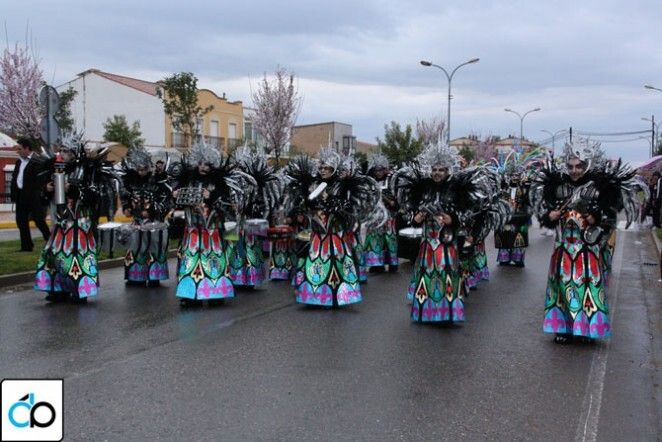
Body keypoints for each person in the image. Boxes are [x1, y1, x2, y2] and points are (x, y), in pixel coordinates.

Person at [531, 140, 648, 344]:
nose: (574, 171)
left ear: (587, 165)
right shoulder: (558, 187)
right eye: (570, 166)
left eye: (579, 166)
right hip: (562, 248)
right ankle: (564, 328)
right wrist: (550, 215)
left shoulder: (597, 188)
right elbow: (544, 212)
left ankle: (586, 330)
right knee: (562, 286)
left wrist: (596, 218)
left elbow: (610, 216)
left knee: (587, 287)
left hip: (587, 249)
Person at [392, 143, 496, 323]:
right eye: (434, 169)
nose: (437, 173)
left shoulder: (456, 188)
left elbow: (468, 213)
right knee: (426, 275)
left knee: (447, 274)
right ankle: (426, 313)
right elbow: (412, 213)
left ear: (448, 171)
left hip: (447, 243)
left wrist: (453, 219)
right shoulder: (423, 187)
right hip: (427, 243)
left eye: (441, 170)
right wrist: (417, 218)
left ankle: (445, 314)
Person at [34, 133, 120, 303]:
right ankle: (58, 289)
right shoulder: (56, 169)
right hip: (61, 222)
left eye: (67, 151)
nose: (63, 154)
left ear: (74, 153)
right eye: (62, 150)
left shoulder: (87, 170)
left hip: (80, 222)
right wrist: (47, 189)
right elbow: (45, 198)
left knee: (77, 256)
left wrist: (73, 190)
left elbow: (95, 195)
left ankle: (79, 289)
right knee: (54, 254)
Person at [288, 148, 379, 307]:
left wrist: (329, 199)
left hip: (335, 235)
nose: (323, 170)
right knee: (315, 263)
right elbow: (305, 204)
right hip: (317, 235)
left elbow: (347, 208)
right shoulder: (314, 184)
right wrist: (301, 210)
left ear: (334, 169)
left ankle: (338, 295)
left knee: (339, 264)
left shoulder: (341, 186)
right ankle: (315, 297)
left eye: (327, 168)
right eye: (321, 167)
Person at [171, 142, 249, 307]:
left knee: (213, 260)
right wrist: (175, 194)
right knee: (190, 260)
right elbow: (178, 202)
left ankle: (215, 293)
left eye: (207, 164)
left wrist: (212, 197)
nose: (203, 167)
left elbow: (228, 207)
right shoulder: (188, 180)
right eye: (200, 163)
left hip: (212, 232)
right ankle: (189, 295)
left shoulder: (220, 184)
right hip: (192, 231)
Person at [119, 147, 173, 287]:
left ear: (149, 167)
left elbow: (167, 201)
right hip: (137, 223)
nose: (141, 172)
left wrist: (153, 212)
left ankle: (154, 276)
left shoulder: (158, 181)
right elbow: (124, 196)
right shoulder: (130, 181)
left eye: (144, 169)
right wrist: (127, 207)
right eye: (138, 169)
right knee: (136, 247)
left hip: (155, 224)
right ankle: (136, 277)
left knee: (154, 247)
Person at [10, 137, 50, 251]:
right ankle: (26, 246)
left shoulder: (36, 161)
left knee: (38, 219)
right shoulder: (19, 162)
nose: (18, 151)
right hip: (20, 195)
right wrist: (14, 193)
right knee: (21, 221)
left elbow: (40, 179)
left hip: (33, 195)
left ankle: (50, 240)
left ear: (27, 148)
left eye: (20, 149)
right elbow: (15, 178)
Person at [363, 153, 399, 273]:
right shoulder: (370, 182)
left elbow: (395, 202)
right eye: (376, 170)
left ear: (385, 170)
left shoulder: (391, 181)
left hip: (389, 215)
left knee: (390, 239)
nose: (378, 173)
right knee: (375, 239)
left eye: (380, 170)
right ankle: (377, 264)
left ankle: (392, 263)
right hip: (375, 216)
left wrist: (383, 196)